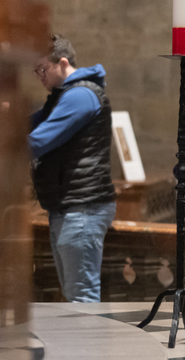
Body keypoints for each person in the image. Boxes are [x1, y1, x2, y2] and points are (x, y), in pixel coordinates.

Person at [29, 35, 117, 303]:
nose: (40, 77)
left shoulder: (81, 95)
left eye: (43, 69)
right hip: (69, 206)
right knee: (73, 293)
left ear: (63, 63)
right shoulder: (63, 96)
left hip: (82, 207)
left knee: (82, 296)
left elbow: (38, 140)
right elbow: (25, 125)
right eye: (36, 71)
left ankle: (88, 335)